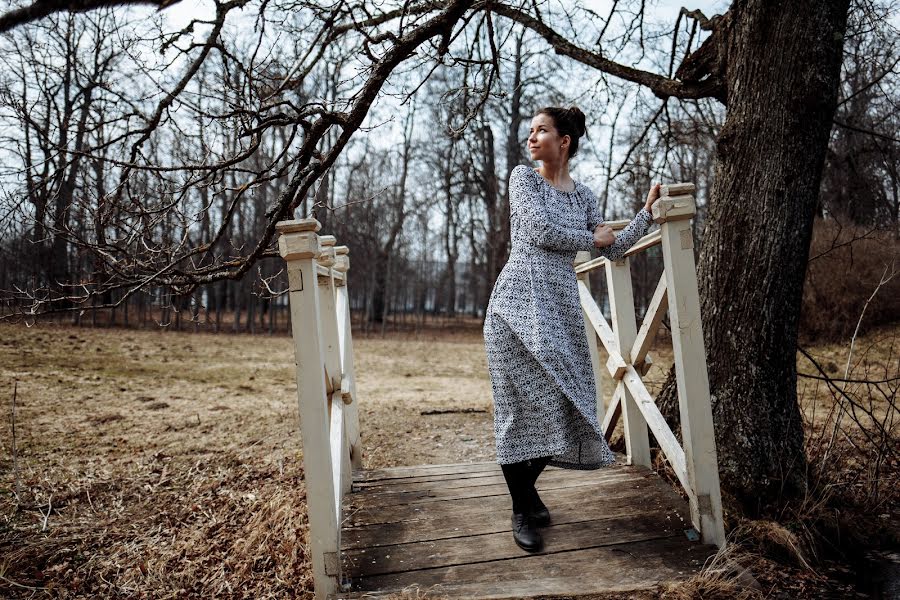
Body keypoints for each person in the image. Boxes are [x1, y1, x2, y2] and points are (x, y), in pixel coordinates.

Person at [483, 105, 661, 552]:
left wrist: (646, 215)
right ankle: (522, 508)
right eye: (531, 131)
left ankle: (526, 494)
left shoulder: (583, 198)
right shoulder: (522, 179)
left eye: (541, 130)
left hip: (559, 312)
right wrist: (590, 239)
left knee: (568, 405)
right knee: (517, 413)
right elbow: (537, 230)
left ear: (564, 141)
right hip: (514, 309)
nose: (532, 137)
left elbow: (613, 250)